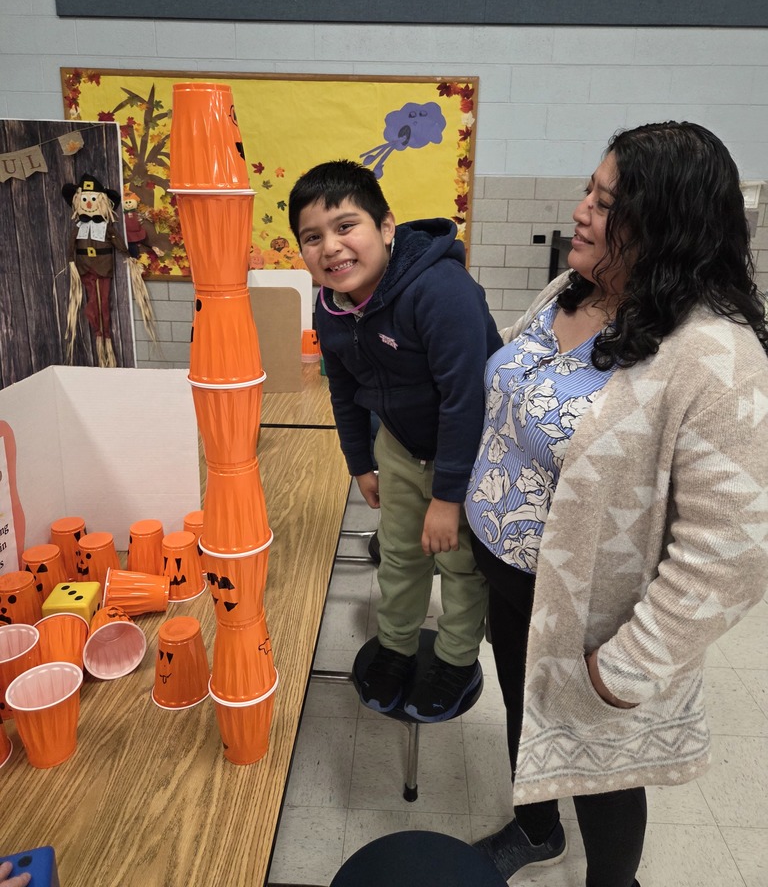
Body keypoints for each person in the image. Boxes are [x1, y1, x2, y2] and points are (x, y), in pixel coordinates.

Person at [466, 122, 768, 886]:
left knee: (601, 766)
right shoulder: (582, 287)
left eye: (607, 204)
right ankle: (536, 830)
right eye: (588, 192)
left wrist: (628, 665)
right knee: (519, 708)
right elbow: (523, 382)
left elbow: (733, 549)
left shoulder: (715, 357)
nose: (581, 212)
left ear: (666, 226)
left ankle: (613, 882)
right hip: (509, 574)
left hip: (595, 615)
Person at [289, 160, 502, 720]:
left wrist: (448, 498)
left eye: (345, 226)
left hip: (469, 452)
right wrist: (360, 461)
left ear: (386, 226)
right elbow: (344, 388)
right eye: (312, 237)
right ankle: (397, 644)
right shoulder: (331, 304)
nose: (331, 248)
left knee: (458, 565)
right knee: (401, 558)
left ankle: (456, 659)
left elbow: (467, 401)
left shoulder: (441, 290)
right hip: (401, 449)